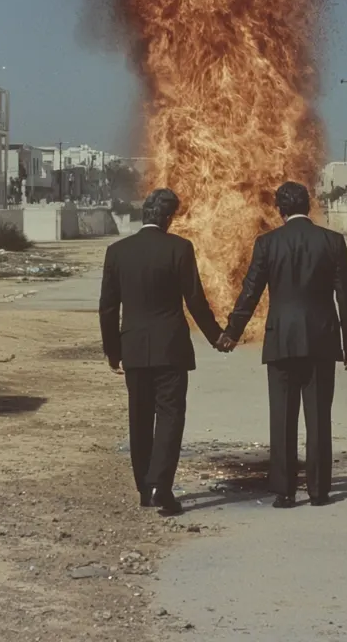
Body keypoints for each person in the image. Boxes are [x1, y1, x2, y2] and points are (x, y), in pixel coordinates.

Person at [218, 182, 347, 509]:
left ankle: (284, 491)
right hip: (322, 340)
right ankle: (319, 491)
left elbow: (250, 292)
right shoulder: (333, 242)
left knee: (282, 417)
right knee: (319, 417)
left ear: (279, 210)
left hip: (281, 338)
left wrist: (232, 331)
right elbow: (346, 297)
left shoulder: (268, 243)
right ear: (307, 207)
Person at [99, 188, 223, 515]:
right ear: (167, 218)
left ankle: (143, 488)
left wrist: (113, 352)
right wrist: (217, 336)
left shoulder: (117, 252)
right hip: (171, 348)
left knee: (139, 418)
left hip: (135, 348)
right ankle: (161, 488)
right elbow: (194, 300)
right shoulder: (179, 248)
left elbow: (108, 308)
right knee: (170, 417)